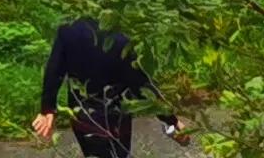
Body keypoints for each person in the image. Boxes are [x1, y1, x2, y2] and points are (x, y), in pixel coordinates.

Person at [32, 18, 186, 156]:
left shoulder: (68, 29)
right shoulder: (119, 39)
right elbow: (140, 84)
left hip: (83, 116)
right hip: (116, 117)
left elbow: (54, 70)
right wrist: (170, 119)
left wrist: (47, 108)